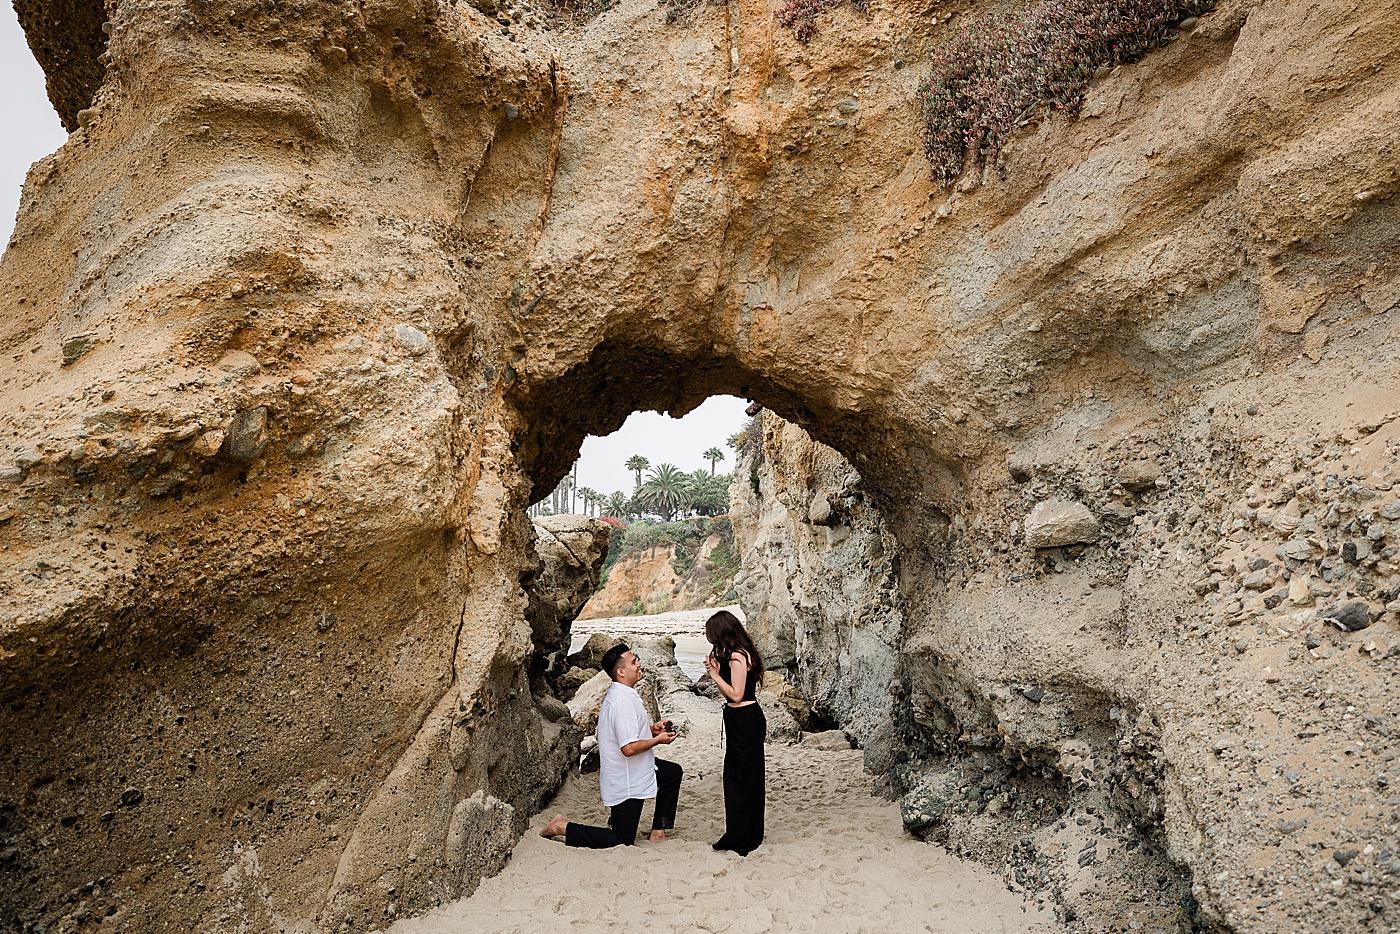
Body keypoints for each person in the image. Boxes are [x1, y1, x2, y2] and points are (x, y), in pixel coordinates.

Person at [539, 644, 682, 847]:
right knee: (621, 840)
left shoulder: (625, 694)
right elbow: (629, 748)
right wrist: (658, 740)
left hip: (638, 769)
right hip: (626, 779)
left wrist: (652, 730)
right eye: (634, 662)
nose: (639, 664)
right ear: (621, 671)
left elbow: (627, 734)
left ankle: (658, 832)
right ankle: (563, 827)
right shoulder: (621, 702)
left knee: (672, 773)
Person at [701, 609, 766, 856]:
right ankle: (739, 833)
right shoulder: (735, 656)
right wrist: (718, 670)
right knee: (738, 778)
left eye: (714, 639)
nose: (714, 645)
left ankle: (744, 837)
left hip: (745, 721)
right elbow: (730, 695)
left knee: (743, 779)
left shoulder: (738, 657)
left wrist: (715, 675)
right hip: (738, 719)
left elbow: (737, 695)